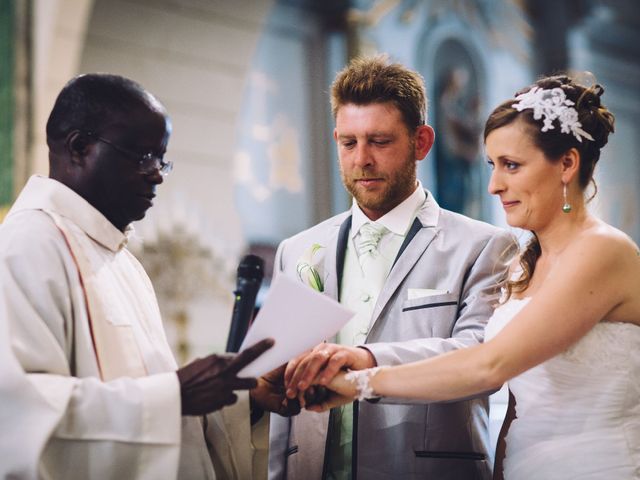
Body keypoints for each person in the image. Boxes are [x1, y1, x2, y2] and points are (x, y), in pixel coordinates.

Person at [310, 75, 640, 479]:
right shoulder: (526, 266)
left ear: (567, 164)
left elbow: (489, 365)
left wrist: (359, 383)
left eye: (512, 166)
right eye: (492, 165)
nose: (494, 186)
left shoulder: (604, 250)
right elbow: (517, 405)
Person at [0, 73, 294, 480]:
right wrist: (173, 395)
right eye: (142, 156)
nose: (156, 174)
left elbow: (166, 412)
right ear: (79, 147)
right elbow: (18, 413)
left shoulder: (123, 261)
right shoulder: (28, 244)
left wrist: (244, 398)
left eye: (162, 159)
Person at [268, 55, 516, 480]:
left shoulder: (484, 247)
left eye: (379, 142)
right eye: (349, 143)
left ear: (421, 142)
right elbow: (282, 389)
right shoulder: (297, 250)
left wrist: (366, 359)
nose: (362, 159)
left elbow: (481, 361)